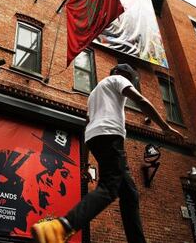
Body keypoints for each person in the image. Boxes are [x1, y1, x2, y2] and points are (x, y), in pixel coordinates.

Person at [31, 63, 184, 243]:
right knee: (110, 187)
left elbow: (88, 125)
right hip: (110, 136)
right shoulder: (117, 79)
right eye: (131, 79)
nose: (130, 82)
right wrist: (165, 128)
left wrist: (85, 163)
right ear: (122, 74)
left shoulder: (94, 94)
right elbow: (141, 101)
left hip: (95, 138)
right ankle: (62, 226)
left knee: (129, 194)